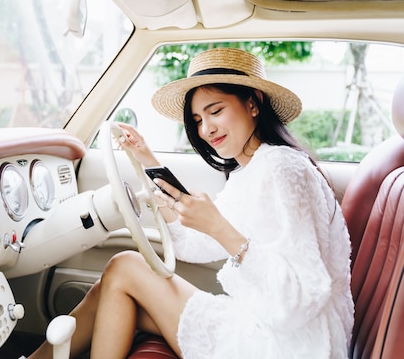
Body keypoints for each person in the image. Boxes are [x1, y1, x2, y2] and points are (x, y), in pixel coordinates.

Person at [25, 48, 353, 359]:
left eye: (216, 111)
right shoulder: (250, 172)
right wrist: (145, 159)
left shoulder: (281, 168)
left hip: (289, 344)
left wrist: (221, 229)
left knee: (125, 266)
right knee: (115, 285)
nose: (206, 128)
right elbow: (197, 245)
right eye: (197, 119)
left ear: (253, 103)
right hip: (265, 324)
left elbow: (298, 299)